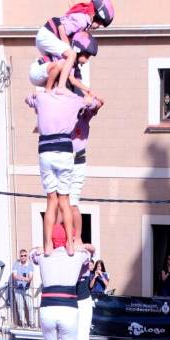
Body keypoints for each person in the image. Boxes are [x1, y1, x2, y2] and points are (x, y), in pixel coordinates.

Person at [26, 90, 101, 256]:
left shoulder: (58, 103)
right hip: (65, 153)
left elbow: (28, 99)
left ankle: (62, 242)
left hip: (58, 153)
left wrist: (43, 94)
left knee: (58, 201)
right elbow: (95, 102)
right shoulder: (71, 102)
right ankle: (65, 243)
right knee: (64, 202)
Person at [30, 223, 95, 340]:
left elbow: (32, 252)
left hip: (47, 308)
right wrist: (77, 245)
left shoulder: (43, 255)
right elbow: (90, 251)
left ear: (51, 240)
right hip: (68, 308)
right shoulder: (77, 256)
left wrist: (45, 246)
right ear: (68, 240)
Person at [34, 0, 114, 91]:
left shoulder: (83, 20)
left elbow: (71, 22)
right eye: (99, 23)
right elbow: (61, 27)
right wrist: (68, 46)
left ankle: (52, 88)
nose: (98, 26)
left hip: (46, 36)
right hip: (47, 35)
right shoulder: (82, 21)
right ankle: (60, 87)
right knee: (71, 56)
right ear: (94, 15)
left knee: (62, 63)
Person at [70, 89, 104, 245]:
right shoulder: (65, 117)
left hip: (77, 161)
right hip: (63, 160)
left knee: (72, 202)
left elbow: (99, 102)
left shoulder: (84, 116)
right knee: (60, 202)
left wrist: (85, 96)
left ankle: (78, 237)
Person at [30, 31, 99, 94]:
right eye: (87, 56)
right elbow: (72, 80)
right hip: (37, 71)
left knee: (63, 77)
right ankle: (48, 89)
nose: (87, 61)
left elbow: (75, 81)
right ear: (79, 50)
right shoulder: (67, 59)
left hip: (44, 76)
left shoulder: (73, 65)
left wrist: (87, 92)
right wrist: (88, 89)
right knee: (61, 64)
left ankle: (47, 91)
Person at [11, 249, 35, 327]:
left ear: (27, 256)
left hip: (27, 289)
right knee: (20, 307)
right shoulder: (16, 264)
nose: (23, 257)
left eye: (25, 255)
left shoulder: (30, 265)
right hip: (18, 289)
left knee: (30, 306)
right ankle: (23, 322)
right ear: (19, 256)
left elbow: (30, 276)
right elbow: (14, 276)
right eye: (22, 256)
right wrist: (23, 278)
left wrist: (26, 279)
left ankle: (32, 322)